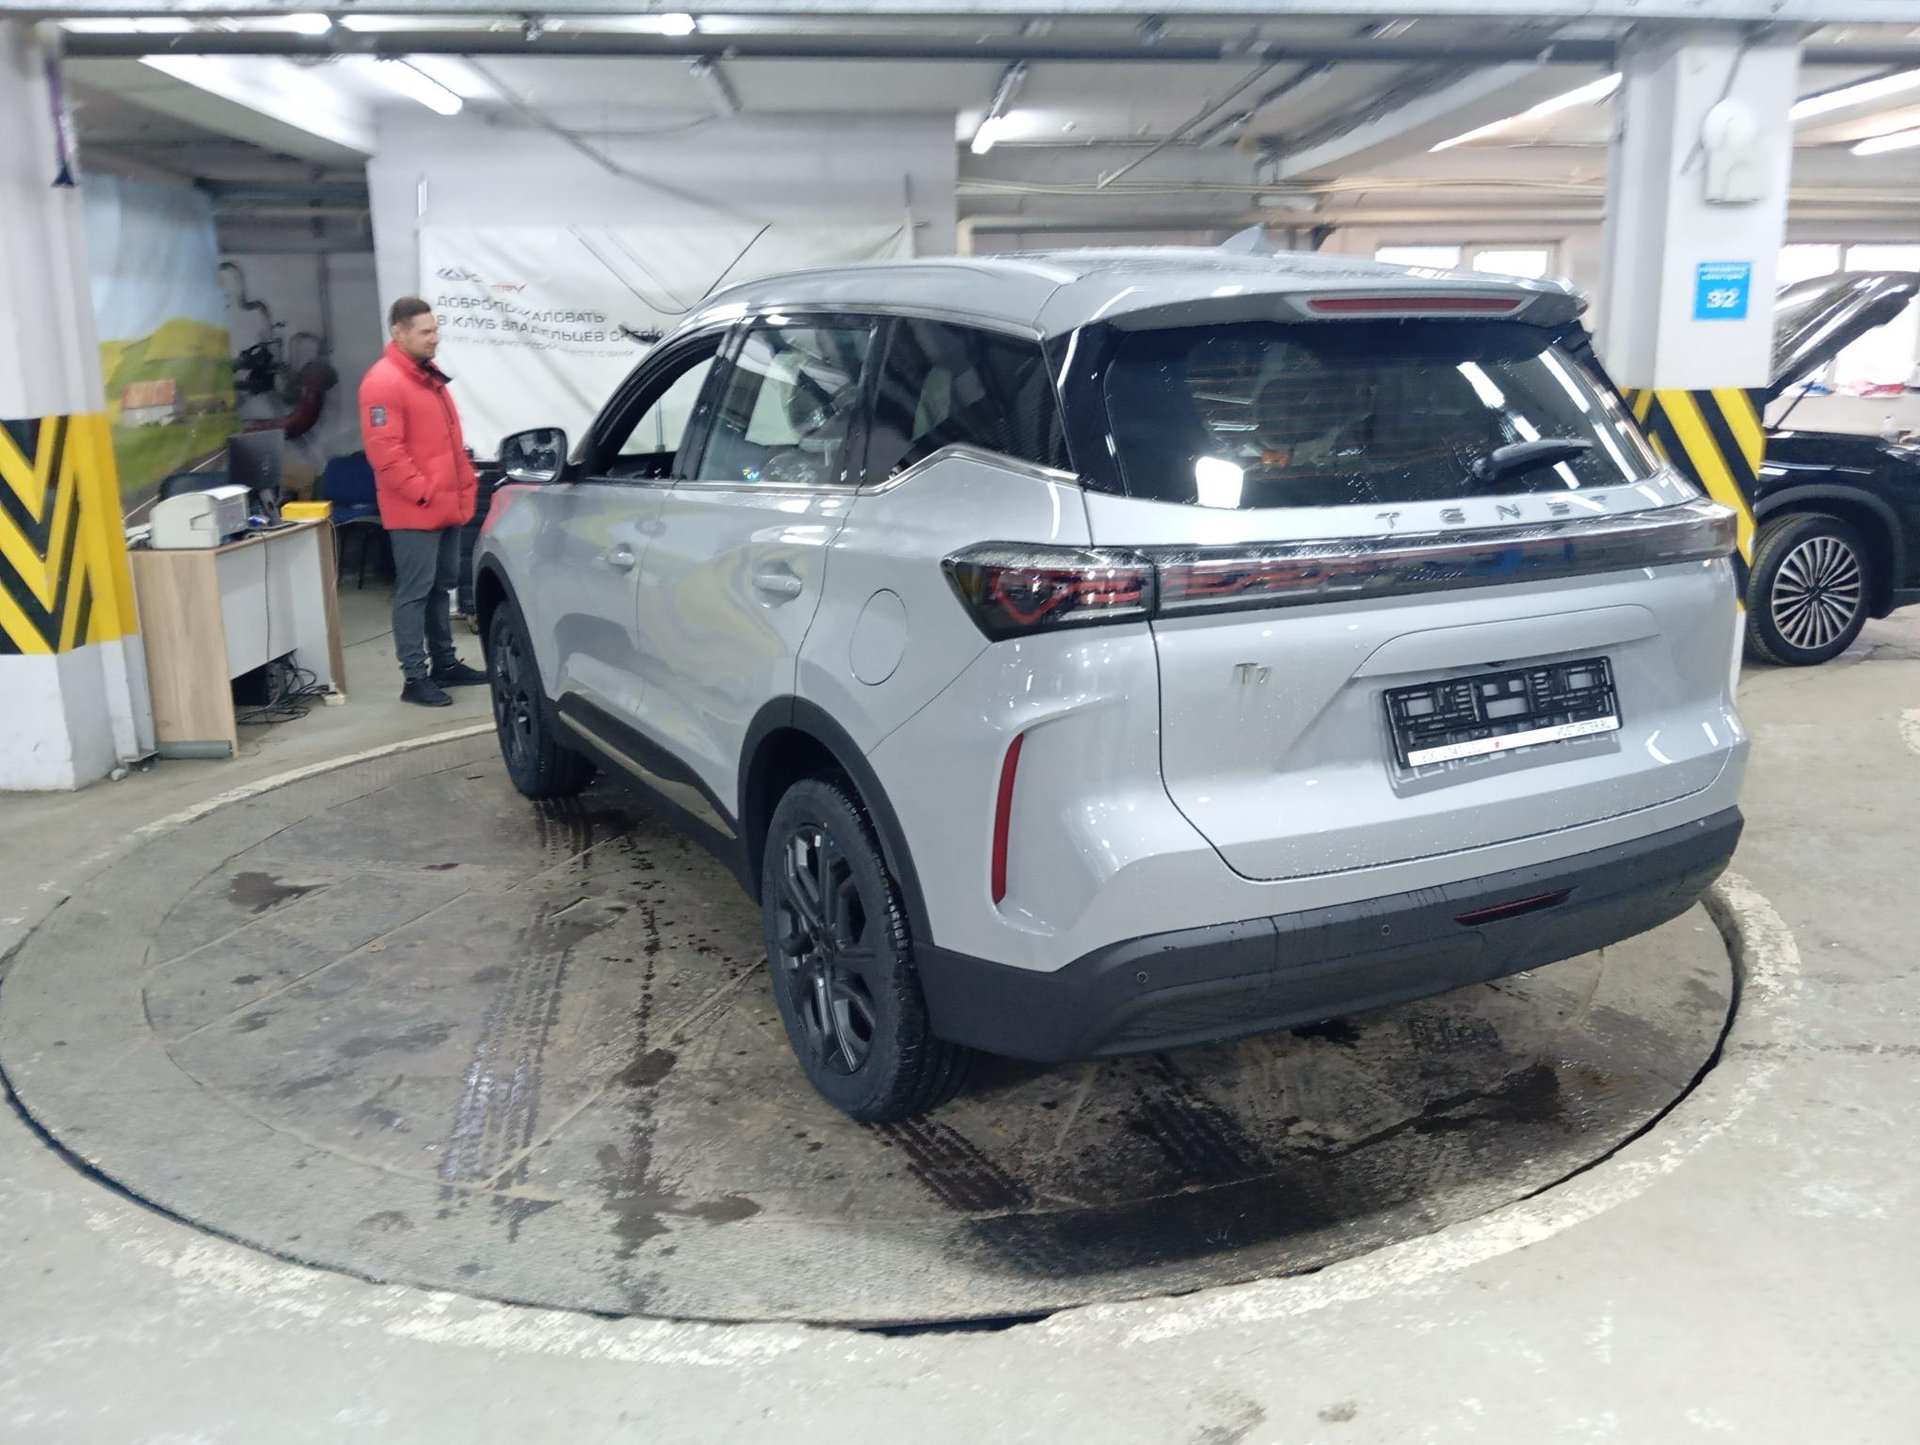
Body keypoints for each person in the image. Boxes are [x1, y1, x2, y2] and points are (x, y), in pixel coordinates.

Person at [359, 296, 489, 707]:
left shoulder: (425, 377)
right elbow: (385, 453)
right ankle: (414, 677)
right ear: (399, 332)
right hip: (415, 510)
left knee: (440, 588)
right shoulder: (384, 382)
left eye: (436, 330)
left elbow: (446, 442)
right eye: (426, 332)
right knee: (415, 592)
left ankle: (445, 664)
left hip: (444, 505)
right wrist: (423, 491)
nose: (435, 338)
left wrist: (460, 486)